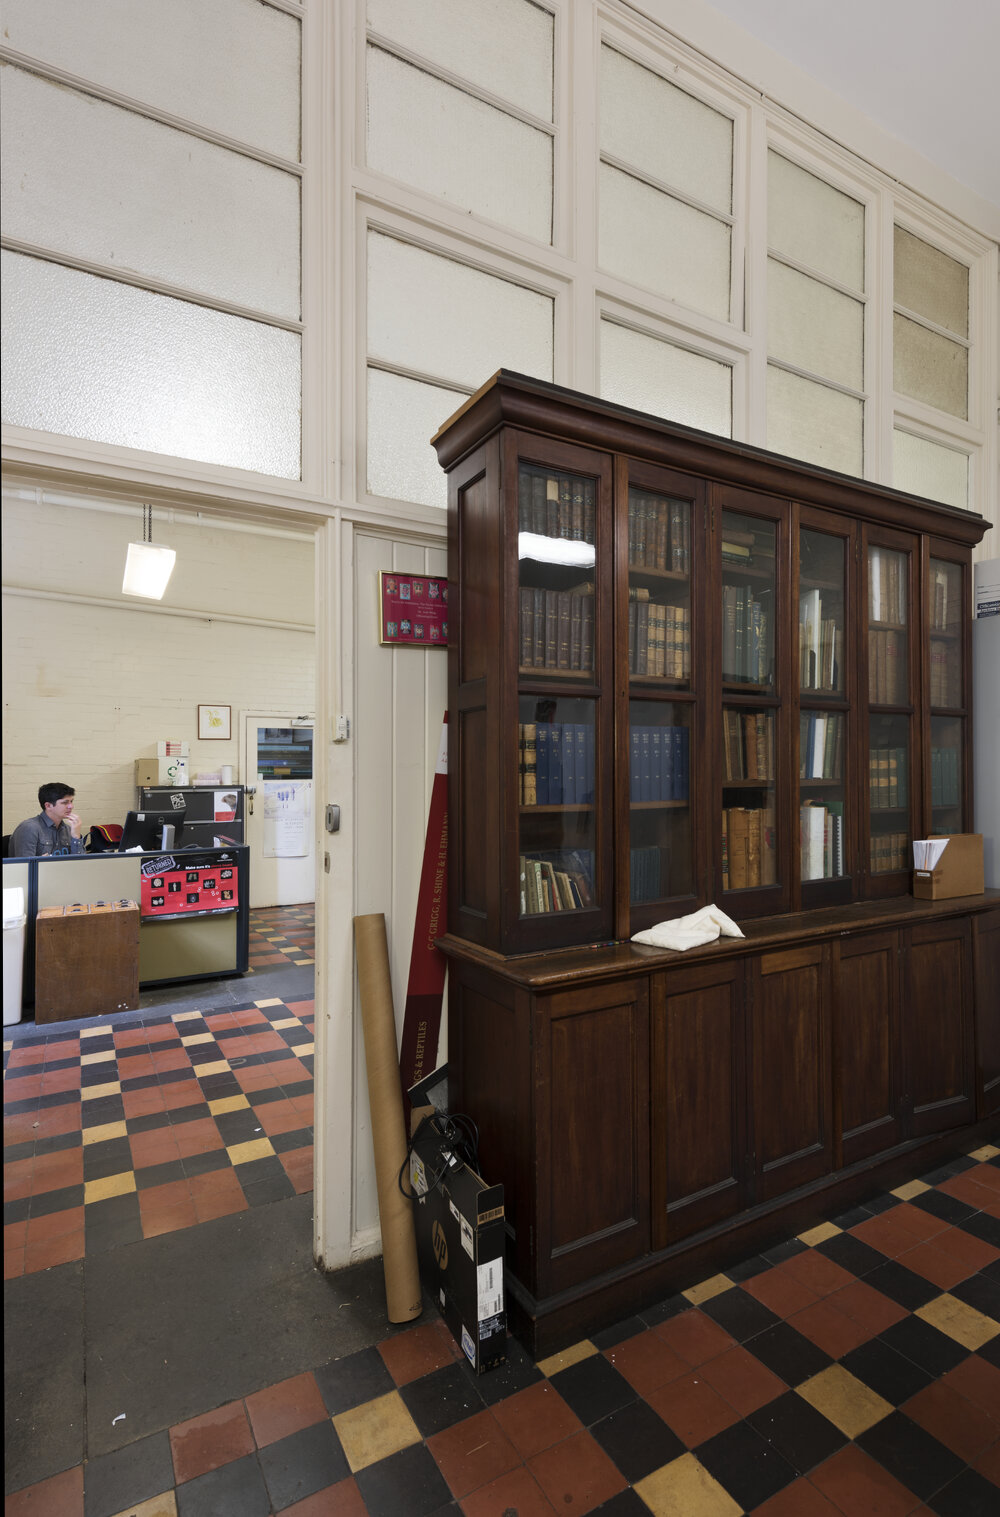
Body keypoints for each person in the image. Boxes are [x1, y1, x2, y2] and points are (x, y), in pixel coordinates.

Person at [10, 782, 85, 856]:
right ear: (48, 806)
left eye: (71, 801)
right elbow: (25, 866)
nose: (71, 806)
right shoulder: (29, 828)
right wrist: (41, 862)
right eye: (65, 803)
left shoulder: (68, 829)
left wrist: (76, 838)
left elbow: (81, 864)